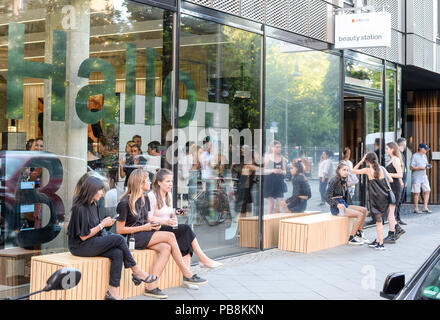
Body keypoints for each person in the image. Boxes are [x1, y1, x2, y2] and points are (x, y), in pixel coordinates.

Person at [116, 169, 207, 298]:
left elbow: (148, 220)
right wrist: (145, 227)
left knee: (166, 247)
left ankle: (151, 286)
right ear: (139, 183)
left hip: (145, 233)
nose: (149, 182)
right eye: (147, 180)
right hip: (133, 237)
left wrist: (154, 225)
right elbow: (120, 230)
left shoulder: (144, 199)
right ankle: (187, 273)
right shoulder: (125, 202)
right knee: (170, 236)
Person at [67, 176, 153, 300]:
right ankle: (136, 270)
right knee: (118, 239)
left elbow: (94, 227)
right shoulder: (79, 208)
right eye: (100, 190)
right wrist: (102, 224)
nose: (102, 193)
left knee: (117, 253)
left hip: (91, 241)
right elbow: (83, 236)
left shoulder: (94, 204)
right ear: (92, 190)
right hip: (79, 246)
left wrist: (104, 223)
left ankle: (113, 292)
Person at [148, 168, 223, 290]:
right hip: (156, 230)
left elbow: (170, 212)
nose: (171, 184)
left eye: (171, 181)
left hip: (167, 227)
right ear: (159, 183)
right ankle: (202, 259)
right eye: (167, 181)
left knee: (186, 239)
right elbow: (149, 219)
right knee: (187, 229)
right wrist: (166, 221)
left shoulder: (169, 195)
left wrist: (175, 216)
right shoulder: (151, 196)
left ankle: (187, 277)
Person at [352, 153, 393, 250]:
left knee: (378, 222)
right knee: (381, 221)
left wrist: (361, 161)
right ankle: (378, 241)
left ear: (367, 161)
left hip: (375, 199)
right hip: (385, 198)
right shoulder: (382, 168)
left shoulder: (368, 170)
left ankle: (380, 244)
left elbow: (353, 170)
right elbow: (391, 180)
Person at [325, 161, 369, 245]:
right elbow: (327, 197)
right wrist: (337, 204)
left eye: (347, 170)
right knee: (359, 215)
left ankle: (359, 233)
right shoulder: (334, 180)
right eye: (344, 170)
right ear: (338, 170)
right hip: (336, 207)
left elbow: (346, 196)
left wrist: (348, 205)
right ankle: (351, 237)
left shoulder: (343, 180)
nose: (346, 172)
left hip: (343, 204)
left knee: (364, 210)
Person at [383, 142, 405, 243]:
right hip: (392, 187)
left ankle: (392, 234)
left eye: (387, 148)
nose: (386, 150)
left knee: (390, 213)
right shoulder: (392, 159)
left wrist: (387, 174)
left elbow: (400, 174)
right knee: (390, 212)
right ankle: (397, 229)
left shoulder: (395, 159)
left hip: (395, 188)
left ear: (392, 149)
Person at [235, 145, 259, 218]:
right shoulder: (242, 160)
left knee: (244, 203)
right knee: (247, 204)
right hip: (242, 184)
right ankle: (246, 220)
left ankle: (241, 220)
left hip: (246, 185)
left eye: (244, 149)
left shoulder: (250, 161)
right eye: (242, 148)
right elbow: (239, 174)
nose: (242, 150)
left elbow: (257, 166)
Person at [263, 140, 286, 214]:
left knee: (279, 205)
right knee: (271, 205)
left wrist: (281, 171)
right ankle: (268, 222)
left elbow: (285, 172)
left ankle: (276, 222)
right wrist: (272, 170)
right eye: (277, 147)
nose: (279, 148)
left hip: (279, 183)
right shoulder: (267, 157)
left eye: (280, 147)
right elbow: (263, 170)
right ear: (272, 148)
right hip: (269, 183)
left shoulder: (282, 158)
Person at [410, 143, 432, 214]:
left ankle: (425, 207)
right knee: (416, 193)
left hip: (424, 176)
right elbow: (411, 167)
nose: (426, 150)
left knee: (427, 190)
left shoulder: (424, 156)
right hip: (416, 177)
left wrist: (427, 166)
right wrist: (421, 168)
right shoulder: (414, 156)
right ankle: (416, 208)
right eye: (425, 149)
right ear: (421, 149)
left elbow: (425, 165)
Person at [395, 138, 408, 225]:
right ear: (402, 144)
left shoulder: (401, 154)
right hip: (400, 181)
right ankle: (396, 219)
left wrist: (405, 180)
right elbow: (399, 169)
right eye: (405, 144)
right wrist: (401, 180)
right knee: (397, 201)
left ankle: (398, 218)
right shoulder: (398, 154)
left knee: (400, 201)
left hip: (403, 180)